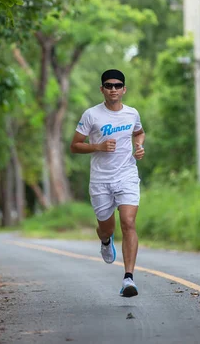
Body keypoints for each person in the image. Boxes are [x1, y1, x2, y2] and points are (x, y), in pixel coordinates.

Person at [70, 69, 145, 297]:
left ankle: (128, 279)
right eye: (108, 85)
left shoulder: (132, 113)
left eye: (117, 85)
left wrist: (139, 146)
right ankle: (105, 241)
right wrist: (98, 146)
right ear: (102, 89)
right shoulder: (91, 115)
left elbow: (139, 133)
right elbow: (74, 145)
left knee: (128, 222)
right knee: (107, 228)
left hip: (126, 175)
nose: (113, 89)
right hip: (101, 180)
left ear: (124, 89)